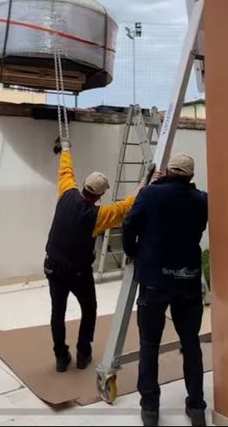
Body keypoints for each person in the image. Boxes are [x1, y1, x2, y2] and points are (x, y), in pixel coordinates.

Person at [123, 154, 208, 427]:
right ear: (191, 177)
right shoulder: (202, 200)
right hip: (188, 279)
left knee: (149, 345)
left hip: (154, 279)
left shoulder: (150, 194)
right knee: (191, 344)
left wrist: (133, 253)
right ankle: (196, 407)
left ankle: (150, 408)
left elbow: (129, 225)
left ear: (168, 172)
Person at [45, 138, 141, 373]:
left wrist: (66, 148)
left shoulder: (66, 192)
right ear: (99, 196)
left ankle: (61, 357)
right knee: (89, 309)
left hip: (53, 267)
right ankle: (83, 353)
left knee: (57, 312)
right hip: (78, 272)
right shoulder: (97, 215)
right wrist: (144, 184)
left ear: (84, 186)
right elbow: (126, 207)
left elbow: (65, 169)